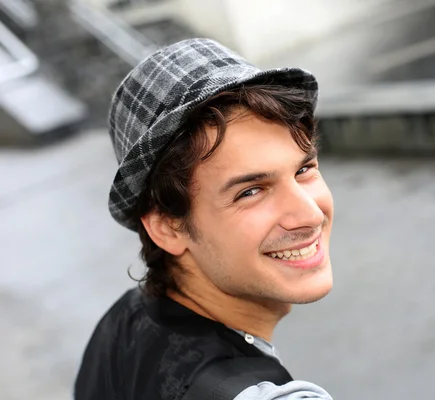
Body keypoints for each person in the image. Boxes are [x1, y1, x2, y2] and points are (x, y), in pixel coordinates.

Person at [74, 38, 334, 400]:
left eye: (304, 169)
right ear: (166, 227)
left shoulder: (123, 323)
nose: (310, 213)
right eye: (250, 191)